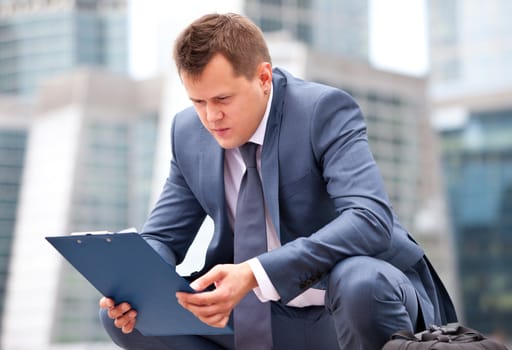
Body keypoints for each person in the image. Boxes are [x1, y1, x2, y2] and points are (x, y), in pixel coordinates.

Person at [99, 12, 457, 350]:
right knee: (125, 313)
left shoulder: (322, 111)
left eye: (223, 99)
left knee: (361, 282)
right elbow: (162, 237)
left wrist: (255, 273)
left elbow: (370, 220)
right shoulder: (188, 133)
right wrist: (135, 282)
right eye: (198, 101)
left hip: (344, 306)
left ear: (264, 78)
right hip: (254, 315)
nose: (211, 116)